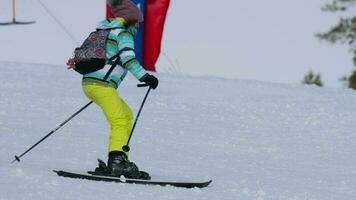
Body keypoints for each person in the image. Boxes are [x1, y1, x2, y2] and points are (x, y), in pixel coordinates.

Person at [66, 0, 158, 180]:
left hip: (92, 83)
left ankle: (119, 158)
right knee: (119, 120)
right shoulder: (123, 34)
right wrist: (146, 77)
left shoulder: (105, 31)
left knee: (125, 114)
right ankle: (117, 161)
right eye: (138, 22)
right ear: (131, 20)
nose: (139, 26)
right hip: (102, 85)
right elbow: (128, 59)